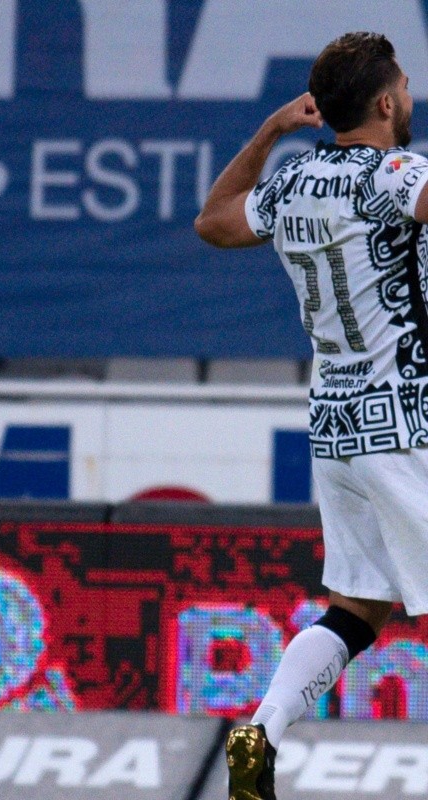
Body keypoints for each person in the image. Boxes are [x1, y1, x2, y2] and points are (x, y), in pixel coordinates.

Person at [195, 31, 428, 800]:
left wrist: (270, 131)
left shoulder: (295, 184)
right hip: (405, 422)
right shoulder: (395, 171)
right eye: (403, 85)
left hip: (334, 424)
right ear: (388, 101)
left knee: (357, 608)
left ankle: (262, 726)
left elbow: (216, 219)